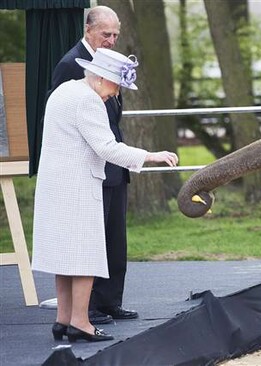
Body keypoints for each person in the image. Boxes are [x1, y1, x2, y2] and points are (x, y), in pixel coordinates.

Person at [32, 47, 179, 342]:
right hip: (78, 186)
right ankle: (80, 322)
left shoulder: (64, 91)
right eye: (116, 86)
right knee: (85, 255)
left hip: (55, 185)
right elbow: (107, 148)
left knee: (65, 256)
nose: (116, 94)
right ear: (100, 77)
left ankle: (62, 319)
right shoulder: (88, 100)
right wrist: (151, 155)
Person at [49, 6, 136, 324]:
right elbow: (60, 114)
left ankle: (111, 300)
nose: (112, 40)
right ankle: (90, 308)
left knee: (115, 238)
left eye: (115, 34)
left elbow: (111, 115)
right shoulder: (71, 64)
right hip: (89, 165)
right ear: (88, 30)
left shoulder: (109, 62)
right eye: (106, 34)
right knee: (92, 239)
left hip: (114, 162)